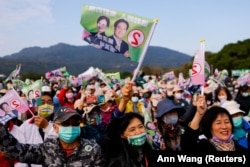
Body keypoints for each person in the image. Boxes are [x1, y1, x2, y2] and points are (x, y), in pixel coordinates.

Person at [0, 106, 104, 166]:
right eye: (65, 124)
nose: (71, 127)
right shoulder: (48, 147)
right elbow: (17, 152)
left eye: (75, 123)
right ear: (55, 127)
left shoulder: (93, 149)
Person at [105, 82, 152, 167]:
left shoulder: (148, 149)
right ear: (122, 135)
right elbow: (112, 130)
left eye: (140, 127)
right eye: (132, 129)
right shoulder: (117, 152)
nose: (138, 132)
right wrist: (124, 101)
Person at [181, 95, 249, 151]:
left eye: (227, 122)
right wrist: (199, 114)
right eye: (218, 123)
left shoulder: (240, 148)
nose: (224, 126)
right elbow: (186, 144)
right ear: (209, 127)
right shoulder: (203, 148)